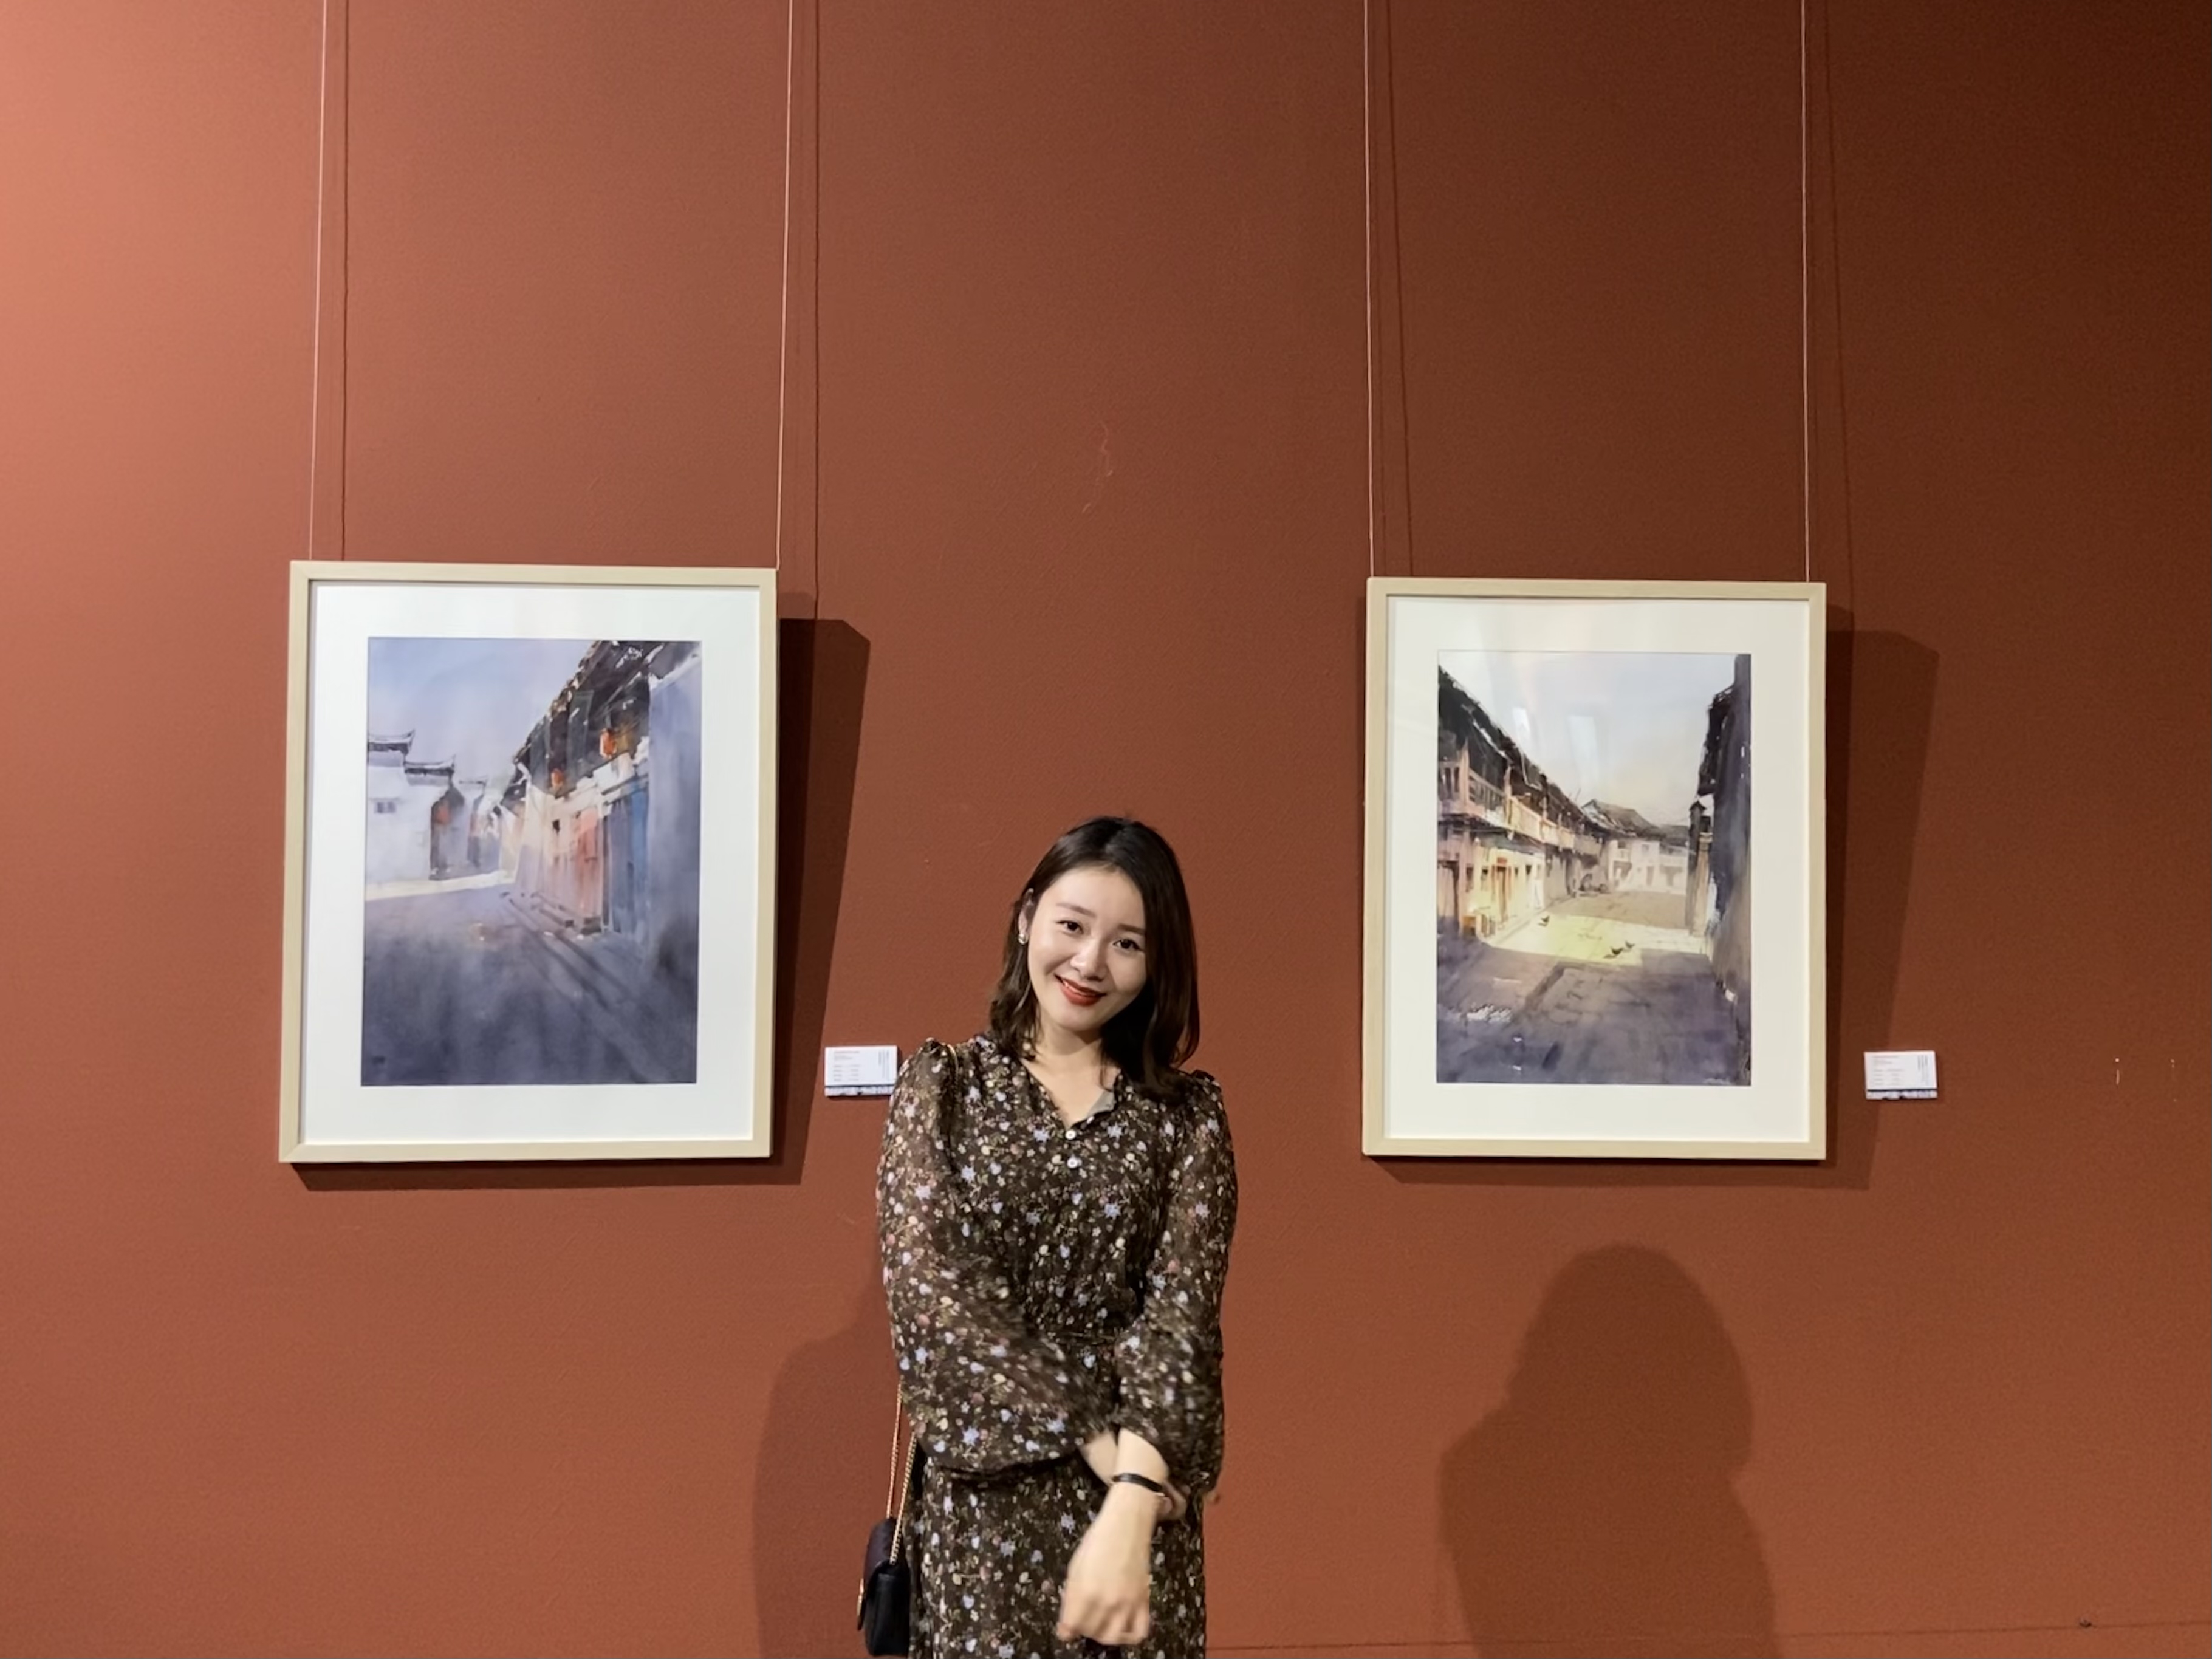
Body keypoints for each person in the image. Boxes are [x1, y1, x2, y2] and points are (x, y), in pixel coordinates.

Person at [877, 816, 1238, 1657]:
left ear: (1157, 965)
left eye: (1126, 944)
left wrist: (1133, 1498)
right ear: (1026, 918)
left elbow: (1183, 1318)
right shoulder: (944, 1090)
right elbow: (939, 1298)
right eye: (1071, 926)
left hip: (1138, 1509)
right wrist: (1100, 1444)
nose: (1089, 963)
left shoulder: (1187, 1116)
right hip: (988, 1512)